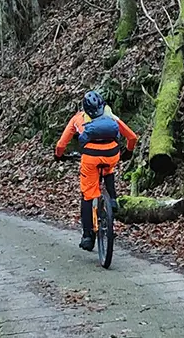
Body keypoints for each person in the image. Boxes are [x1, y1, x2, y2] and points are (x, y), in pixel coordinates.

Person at [54, 90, 138, 250]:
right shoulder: (110, 116)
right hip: (112, 154)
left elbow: (61, 145)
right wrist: (129, 151)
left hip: (91, 159)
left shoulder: (78, 118)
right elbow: (132, 137)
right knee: (108, 169)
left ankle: (87, 236)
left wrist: (59, 156)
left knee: (88, 194)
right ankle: (112, 201)